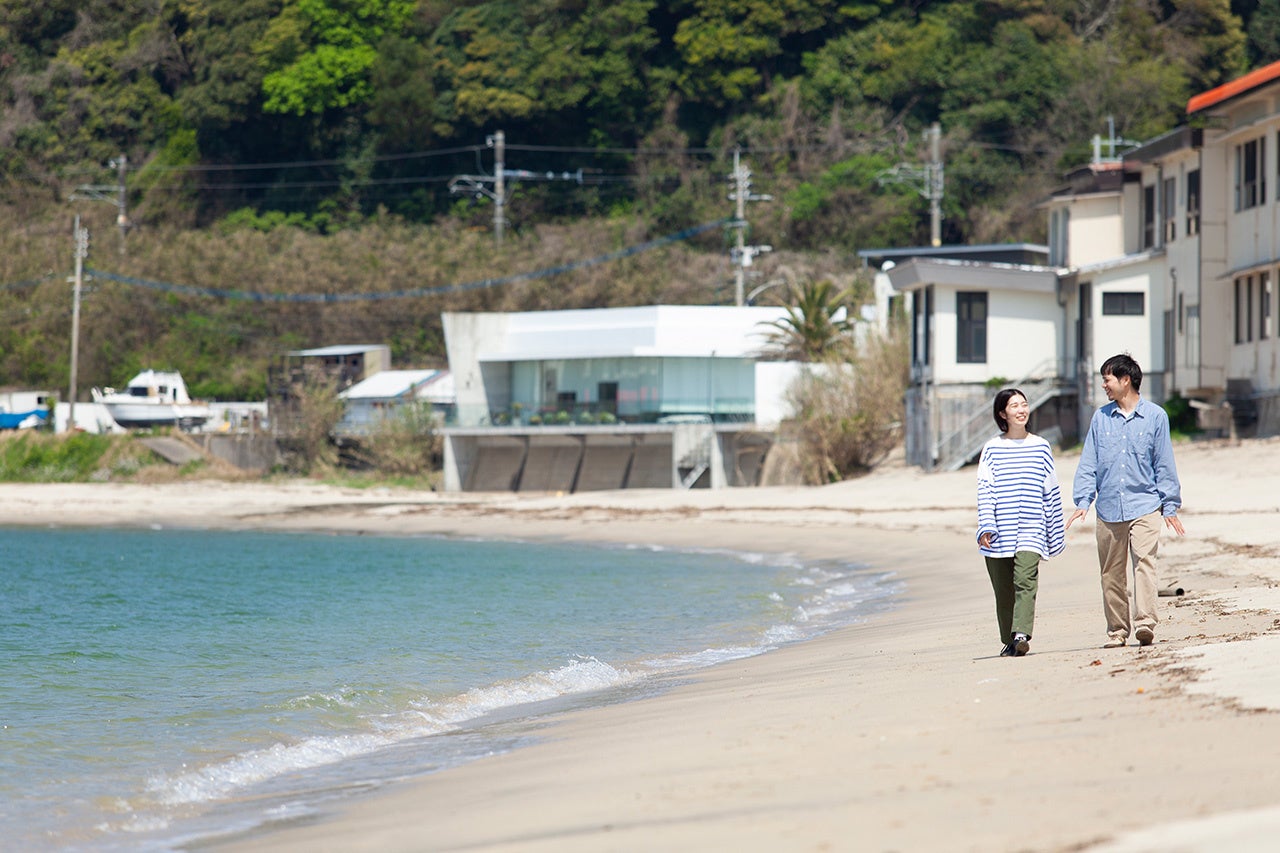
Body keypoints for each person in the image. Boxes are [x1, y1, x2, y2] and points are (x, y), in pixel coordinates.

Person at [1067, 353, 1185, 648]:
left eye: (1107, 379)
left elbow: (1164, 464)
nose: (1104, 385)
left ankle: (1145, 623)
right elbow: (1089, 462)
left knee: (1145, 563)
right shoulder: (1100, 418)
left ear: (1125, 380)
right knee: (1111, 573)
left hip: (1145, 505)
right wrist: (1083, 501)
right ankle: (1118, 630)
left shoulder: (1156, 416)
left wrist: (1169, 505)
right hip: (1108, 507)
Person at [976, 388, 1066, 657]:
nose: (1021, 410)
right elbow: (985, 489)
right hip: (998, 530)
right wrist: (986, 525)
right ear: (1003, 413)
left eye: (1024, 404)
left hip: (1031, 528)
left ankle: (1021, 634)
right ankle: (1010, 639)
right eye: (1014, 406)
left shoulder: (1041, 446)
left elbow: (1051, 491)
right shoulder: (992, 449)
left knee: (1026, 581)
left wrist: (1054, 531)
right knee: (1004, 590)